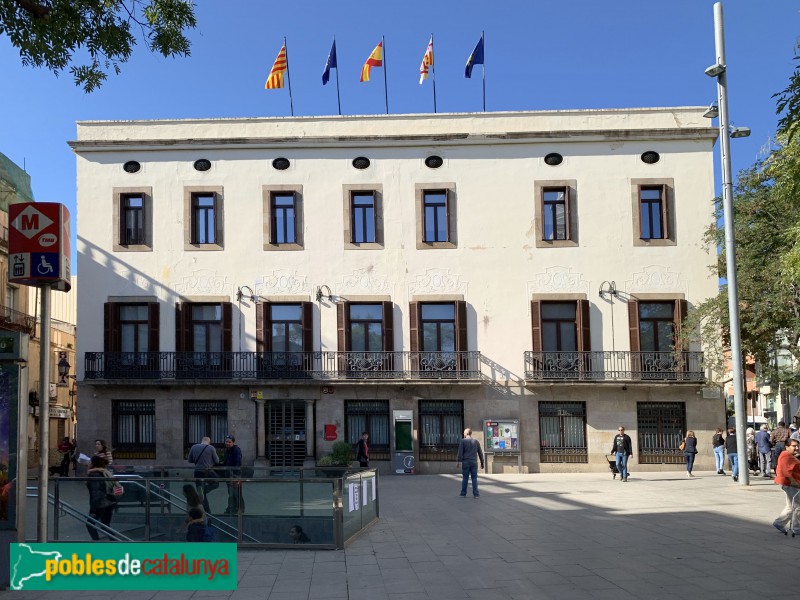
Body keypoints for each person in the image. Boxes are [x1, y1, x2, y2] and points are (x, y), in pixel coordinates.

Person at [85, 455, 117, 540]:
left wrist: (93, 510)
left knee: (90, 524)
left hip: (101, 503)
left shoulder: (94, 474)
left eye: (89, 462)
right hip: (109, 501)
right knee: (105, 525)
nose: (88, 463)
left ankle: (97, 542)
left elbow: (96, 493)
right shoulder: (103, 472)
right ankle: (114, 541)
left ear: (93, 464)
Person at [772, 439, 800, 535]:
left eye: (797, 446)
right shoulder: (786, 456)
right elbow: (785, 471)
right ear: (787, 447)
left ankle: (779, 523)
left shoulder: (788, 455)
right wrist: (793, 482)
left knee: (791, 506)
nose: (796, 448)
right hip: (790, 484)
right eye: (794, 446)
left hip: (789, 483)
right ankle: (797, 528)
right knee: (797, 506)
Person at [188, 436, 219, 512]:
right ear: (209, 442)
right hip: (208, 472)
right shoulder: (211, 448)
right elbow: (217, 460)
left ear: (201, 441)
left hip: (198, 472)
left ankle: (207, 512)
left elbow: (190, 460)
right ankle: (204, 490)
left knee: (201, 495)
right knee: (216, 483)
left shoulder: (194, 447)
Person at [456, 428, 484, 498]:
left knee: (465, 478)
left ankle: (463, 493)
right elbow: (480, 453)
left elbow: (460, 452)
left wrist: (458, 461)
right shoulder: (476, 442)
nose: (463, 434)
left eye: (464, 433)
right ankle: (476, 494)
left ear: (466, 433)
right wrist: (482, 462)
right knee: (474, 478)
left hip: (465, 461)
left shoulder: (463, 441)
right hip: (474, 462)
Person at [222, 434, 244, 515]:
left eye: (229, 442)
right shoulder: (227, 450)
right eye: (226, 441)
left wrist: (234, 475)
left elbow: (237, 463)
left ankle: (239, 509)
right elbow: (226, 462)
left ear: (233, 442)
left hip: (235, 475)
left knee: (236, 493)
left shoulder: (236, 450)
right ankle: (232, 508)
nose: (227, 443)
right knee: (231, 493)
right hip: (229, 475)